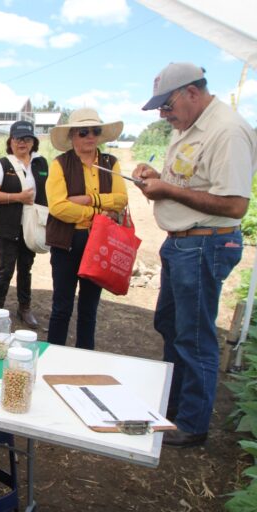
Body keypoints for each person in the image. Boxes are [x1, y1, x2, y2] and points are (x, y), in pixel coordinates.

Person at [132, 63, 257, 447]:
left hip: (205, 243)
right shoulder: (189, 127)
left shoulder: (227, 131)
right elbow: (192, 181)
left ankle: (191, 423)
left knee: (195, 336)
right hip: (183, 243)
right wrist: (158, 178)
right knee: (170, 325)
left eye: (167, 106)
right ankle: (172, 405)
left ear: (191, 92)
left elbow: (235, 205)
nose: (163, 115)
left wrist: (167, 191)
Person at [45, 108, 128, 350]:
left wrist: (89, 199)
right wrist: (98, 213)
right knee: (62, 306)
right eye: (83, 132)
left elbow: (122, 199)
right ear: (72, 135)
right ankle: (54, 355)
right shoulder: (60, 164)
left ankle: (85, 356)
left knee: (89, 308)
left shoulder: (111, 162)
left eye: (95, 131)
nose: (90, 136)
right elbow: (58, 207)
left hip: (99, 241)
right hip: (68, 242)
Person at [0, 120, 49, 328]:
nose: (22, 142)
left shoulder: (41, 163)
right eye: (17, 138)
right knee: (5, 269)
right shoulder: (3, 164)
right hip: (7, 225)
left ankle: (25, 308)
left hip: (32, 225)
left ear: (33, 142)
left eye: (26, 139)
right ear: (10, 141)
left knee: (26, 268)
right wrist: (18, 197)